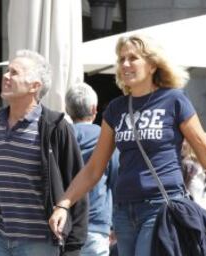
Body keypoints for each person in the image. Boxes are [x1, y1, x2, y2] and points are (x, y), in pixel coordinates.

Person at [49, 34, 206, 256]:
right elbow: (95, 168)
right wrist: (64, 204)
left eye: (133, 58)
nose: (125, 64)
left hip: (161, 206)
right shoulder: (116, 109)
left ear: (152, 65)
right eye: (121, 58)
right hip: (123, 211)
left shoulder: (174, 100)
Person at [0, 49, 88, 256]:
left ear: (35, 86)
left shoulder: (55, 127)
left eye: (14, 73)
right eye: (7, 71)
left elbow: (77, 184)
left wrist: (73, 246)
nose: (6, 76)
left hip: (39, 241)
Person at [65, 82, 119, 256]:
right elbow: (116, 181)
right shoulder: (106, 139)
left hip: (64, 222)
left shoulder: (61, 138)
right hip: (97, 223)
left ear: (67, 109)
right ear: (95, 109)